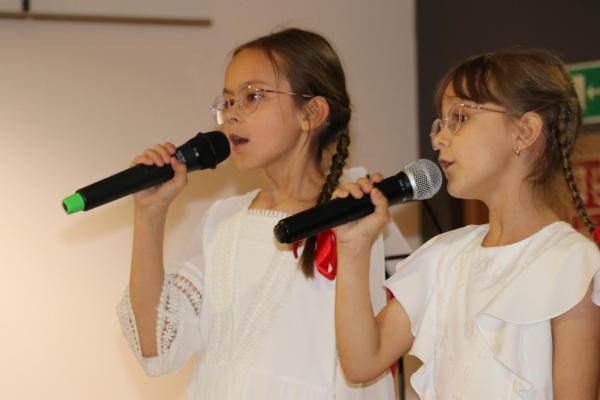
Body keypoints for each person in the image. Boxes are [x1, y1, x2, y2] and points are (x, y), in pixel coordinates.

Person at [116, 27, 407, 399]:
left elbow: (362, 364)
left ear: (311, 113)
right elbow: (157, 345)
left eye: (252, 96)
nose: (232, 115)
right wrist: (150, 214)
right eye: (228, 101)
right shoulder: (223, 220)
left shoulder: (352, 216)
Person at [334, 48, 600, 399]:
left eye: (460, 118)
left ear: (524, 131)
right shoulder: (444, 257)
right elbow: (362, 362)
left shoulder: (571, 263)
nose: (439, 138)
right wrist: (353, 248)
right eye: (440, 124)